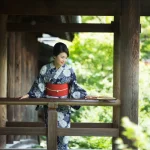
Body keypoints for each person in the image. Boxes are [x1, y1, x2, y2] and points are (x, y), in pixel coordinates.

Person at [20, 42, 87, 150]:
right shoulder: (45, 69)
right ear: (54, 56)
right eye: (62, 57)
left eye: (65, 57)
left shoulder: (69, 70)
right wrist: (30, 94)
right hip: (50, 104)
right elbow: (39, 84)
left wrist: (82, 95)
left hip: (64, 105)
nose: (63, 60)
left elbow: (74, 86)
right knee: (51, 133)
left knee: (64, 136)